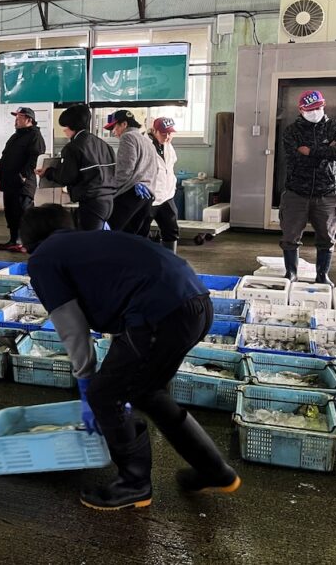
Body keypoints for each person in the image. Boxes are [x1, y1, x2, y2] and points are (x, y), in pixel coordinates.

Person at [20, 203, 239, 510]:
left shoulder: (44, 258)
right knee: (147, 392)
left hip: (161, 313)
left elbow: (71, 325)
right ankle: (214, 470)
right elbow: (117, 293)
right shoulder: (86, 242)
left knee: (105, 394)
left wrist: (86, 382)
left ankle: (134, 484)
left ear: (27, 241)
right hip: (196, 303)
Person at [279, 90, 336, 285]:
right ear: (301, 110)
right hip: (295, 191)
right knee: (290, 236)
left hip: (326, 192)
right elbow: (295, 157)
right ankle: (291, 273)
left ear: (323, 105)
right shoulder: (292, 131)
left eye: (318, 107)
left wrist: (311, 151)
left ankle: (322, 275)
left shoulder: (335, 126)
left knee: (326, 236)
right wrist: (325, 152)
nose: (315, 111)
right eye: (311, 109)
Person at [38, 103, 115, 231]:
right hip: (109, 200)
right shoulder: (104, 145)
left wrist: (49, 172)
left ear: (72, 126)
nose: (64, 130)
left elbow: (67, 177)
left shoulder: (73, 147)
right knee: (99, 238)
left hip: (91, 201)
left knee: (88, 241)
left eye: (65, 126)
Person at [0, 107, 45, 252]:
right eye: (16, 117)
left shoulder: (35, 136)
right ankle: (14, 240)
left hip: (23, 185)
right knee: (11, 213)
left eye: (19, 117)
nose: (16, 120)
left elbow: (35, 158)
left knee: (23, 214)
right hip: (9, 183)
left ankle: (26, 243)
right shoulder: (16, 136)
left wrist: (23, 176)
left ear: (29, 120)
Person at [105, 110, 158, 235]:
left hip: (130, 195)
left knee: (112, 235)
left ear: (124, 124)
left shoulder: (127, 137)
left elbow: (125, 170)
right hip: (147, 195)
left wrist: (111, 190)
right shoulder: (146, 140)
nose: (113, 132)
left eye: (114, 127)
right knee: (138, 239)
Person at [146, 117, 181, 252]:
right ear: (155, 131)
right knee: (141, 231)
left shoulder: (168, 145)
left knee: (171, 229)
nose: (167, 137)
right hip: (150, 196)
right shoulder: (145, 145)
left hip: (167, 195)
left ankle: (170, 260)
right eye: (164, 133)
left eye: (170, 133)